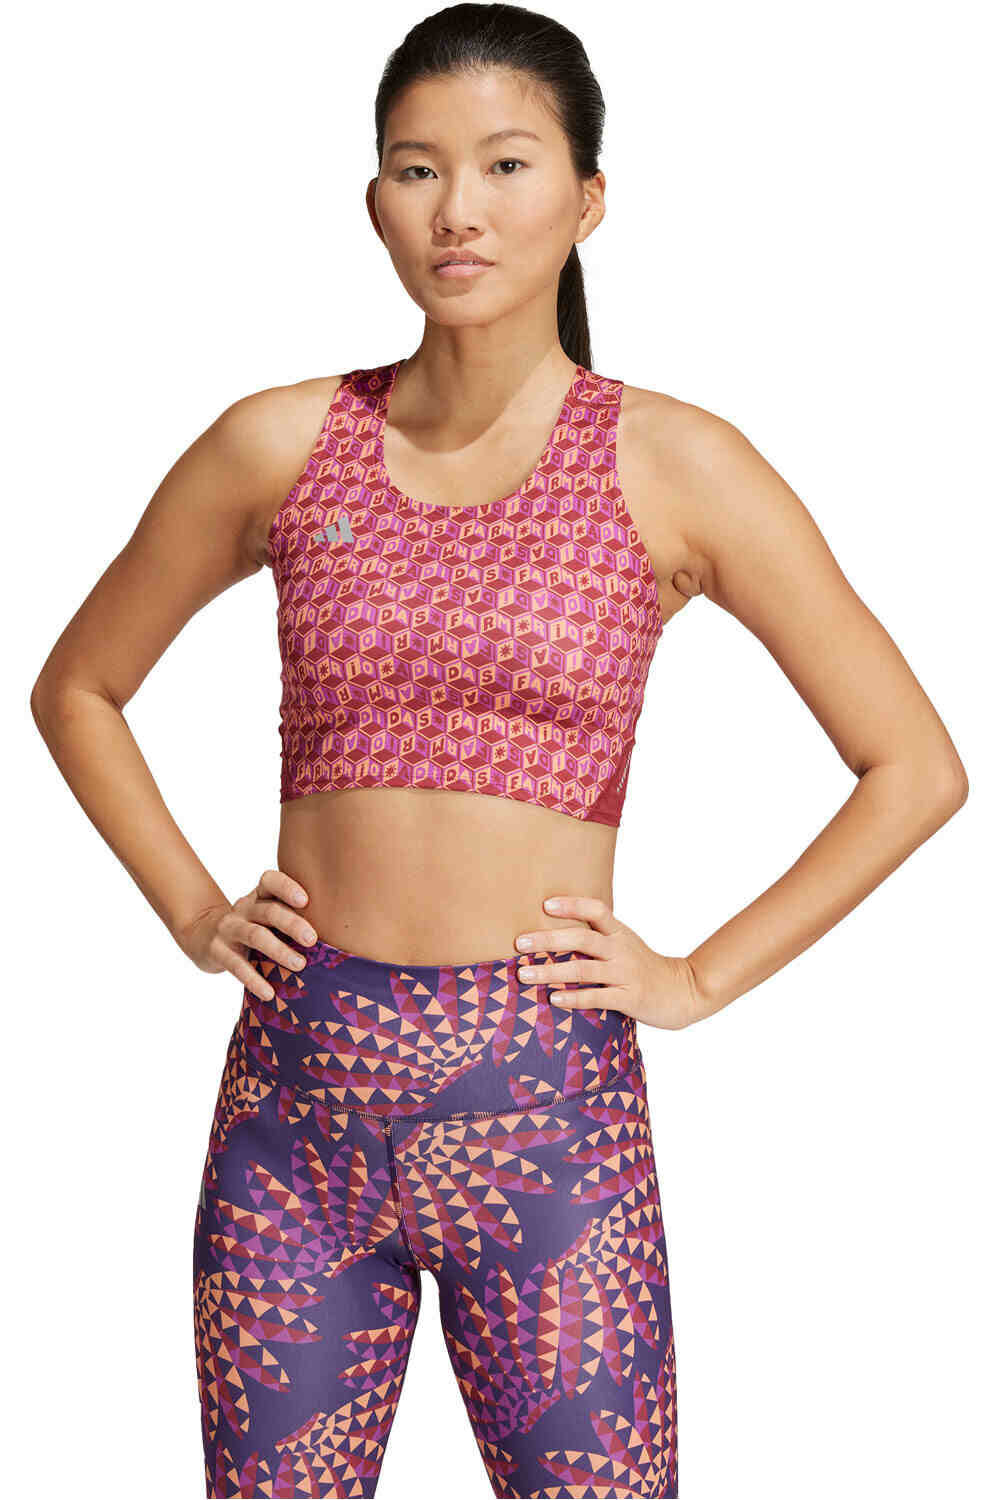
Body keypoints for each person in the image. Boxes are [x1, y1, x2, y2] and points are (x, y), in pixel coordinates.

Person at [29, 6, 969, 1498]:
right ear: (374, 201)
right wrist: (194, 910)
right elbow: (79, 685)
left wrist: (696, 979)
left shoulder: (675, 462)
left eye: (506, 164)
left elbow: (915, 767)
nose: (457, 208)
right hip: (295, 1116)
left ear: (588, 199)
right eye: (418, 168)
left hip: (547, 1118)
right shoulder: (280, 443)